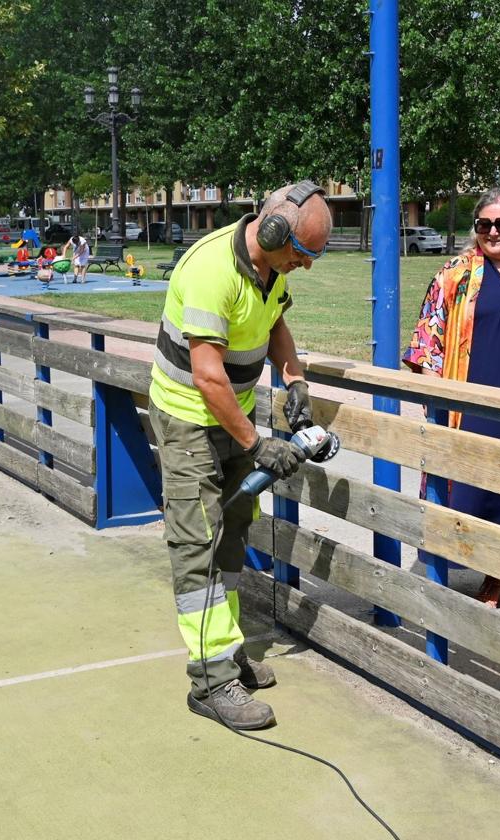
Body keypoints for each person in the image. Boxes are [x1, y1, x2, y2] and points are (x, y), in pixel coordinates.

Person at [148, 181, 331, 730]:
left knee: (231, 532)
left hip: (234, 412)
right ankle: (209, 683)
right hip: (188, 418)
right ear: (273, 231)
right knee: (196, 542)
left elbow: (275, 322)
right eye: (300, 254)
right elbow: (207, 377)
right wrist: (258, 444)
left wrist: (294, 377)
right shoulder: (211, 271)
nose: (304, 266)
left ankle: (225, 652)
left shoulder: (270, 268)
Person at [403, 187, 500, 609]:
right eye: (483, 224)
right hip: (470, 397)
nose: (492, 232)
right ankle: (486, 570)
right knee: (476, 486)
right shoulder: (456, 273)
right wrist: (437, 394)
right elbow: (427, 342)